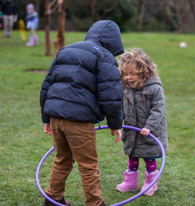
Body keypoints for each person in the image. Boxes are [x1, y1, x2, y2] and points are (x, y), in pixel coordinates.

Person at [40, 20, 124, 206]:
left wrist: (47, 118)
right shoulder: (104, 57)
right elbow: (111, 96)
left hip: (57, 117)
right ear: (114, 40)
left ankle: (52, 199)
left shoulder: (66, 50)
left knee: (62, 159)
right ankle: (95, 203)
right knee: (88, 165)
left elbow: (47, 86)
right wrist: (116, 124)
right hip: (78, 121)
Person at [115, 48, 168, 196]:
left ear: (144, 73)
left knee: (148, 156)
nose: (128, 78)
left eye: (133, 74)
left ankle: (151, 183)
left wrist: (149, 126)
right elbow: (119, 105)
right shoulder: (125, 88)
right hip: (132, 130)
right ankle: (130, 182)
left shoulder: (154, 88)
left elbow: (158, 110)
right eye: (125, 74)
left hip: (149, 131)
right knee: (133, 155)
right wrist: (117, 121)